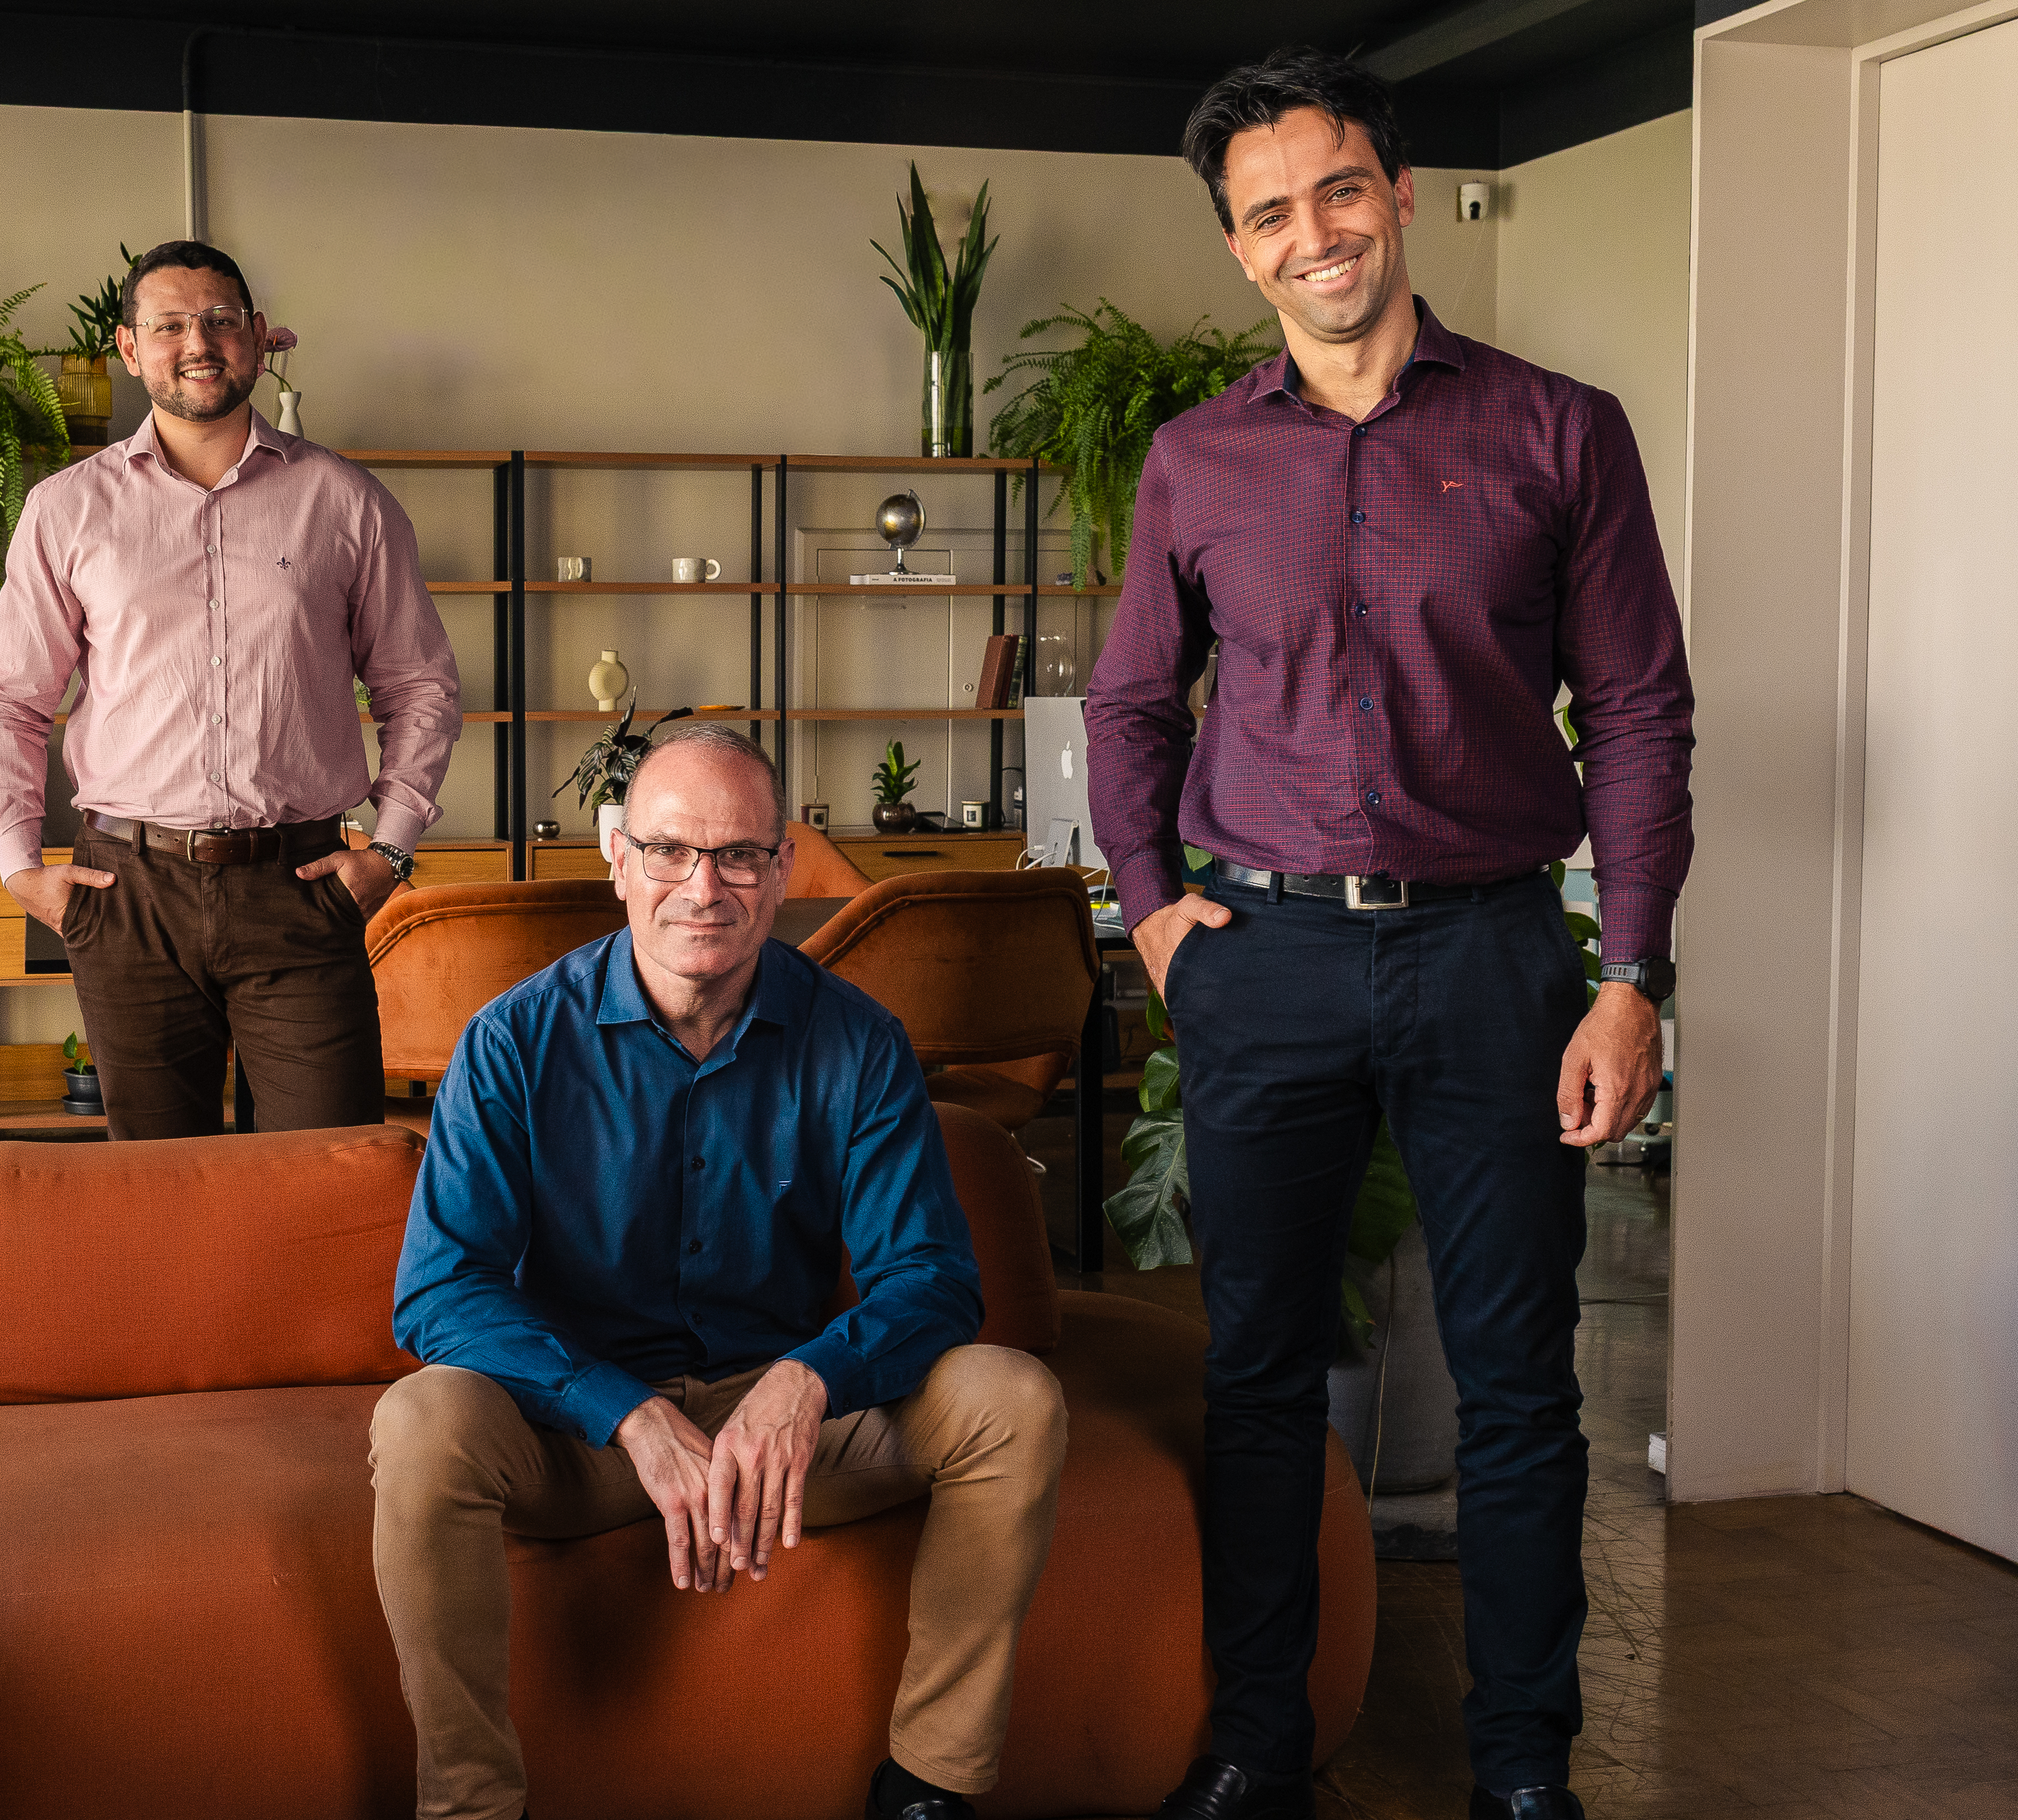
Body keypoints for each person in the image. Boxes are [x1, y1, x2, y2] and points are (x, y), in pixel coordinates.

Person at [1084, 49, 1693, 1820]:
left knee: (1518, 1385)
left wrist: (1631, 966)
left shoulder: (1557, 430)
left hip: (1497, 954)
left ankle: (1522, 1767)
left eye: (1339, 189)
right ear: (1238, 245)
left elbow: (1640, 710)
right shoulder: (1195, 460)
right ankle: (1260, 1741)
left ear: (1400, 194)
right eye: (1270, 210)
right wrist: (1156, 917)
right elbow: (1131, 702)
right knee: (1261, 1371)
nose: (1314, 232)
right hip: (1260, 958)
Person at [373, 724, 1069, 1820]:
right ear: (616, 860)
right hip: (580, 1432)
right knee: (422, 1422)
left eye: (739, 854)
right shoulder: (512, 1041)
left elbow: (931, 1275)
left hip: (779, 1427)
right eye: (669, 851)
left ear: (781, 869)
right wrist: (629, 1412)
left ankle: (931, 1788)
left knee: (1011, 1399)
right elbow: (441, 1290)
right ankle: (470, 1806)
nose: (704, 886)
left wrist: (808, 1381)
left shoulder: (858, 1040)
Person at [0, 240, 461, 1140]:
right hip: (127, 896)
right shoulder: (69, 511)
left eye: (223, 320)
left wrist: (389, 851)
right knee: (159, 1197)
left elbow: (420, 686)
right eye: (170, 325)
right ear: (129, 348)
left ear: (260, 339)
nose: (200, 341)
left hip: (303, 886)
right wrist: (17, 866)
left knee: (328, 1179)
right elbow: (6, 697)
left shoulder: (346, 503)